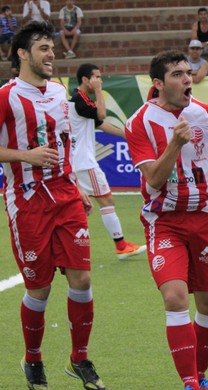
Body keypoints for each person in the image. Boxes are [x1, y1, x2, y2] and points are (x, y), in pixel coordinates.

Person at [125, 50, 208, 390]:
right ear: (159, 84)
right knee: (176, 298)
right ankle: (190, 382)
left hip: (205, 220)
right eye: (177, 74)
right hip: (165, 221)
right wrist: (175, 144)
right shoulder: (140, 122)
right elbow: (154, 180)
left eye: (187, 72)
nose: (187, 79)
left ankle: (200, 376)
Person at [0, 21, 105, 390]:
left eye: (52, 48)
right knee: (39, 289)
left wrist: (77, 186)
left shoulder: (61, 93)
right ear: (23, 54)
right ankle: (33, 361)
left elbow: (65, 147)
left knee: (82, 279)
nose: (52, 54)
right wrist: (24, 155)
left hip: (64, 195)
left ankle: (79, 358)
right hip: (26, 201)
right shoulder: (6, 96)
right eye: (44, 48)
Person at [69, 62, 147, 261]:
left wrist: (128, 136)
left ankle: (69, 245)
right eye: (96, 77)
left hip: (78, 163)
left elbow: (101, 124)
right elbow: (102, 114)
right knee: (106, 200)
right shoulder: (80, 99)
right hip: (84, 163)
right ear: (86, 80)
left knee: (78, 205)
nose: (100, 81)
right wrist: (99, 91)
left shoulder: (80, 101)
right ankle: (121, 246)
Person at [190, 7, 208, 75]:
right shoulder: (195, 25)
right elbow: (194, 39)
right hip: (200, 45)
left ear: (207, 15)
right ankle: (194, 69)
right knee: (193, 48)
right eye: (201, 14)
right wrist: (199, 45)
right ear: (198, 16)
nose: (203, 16)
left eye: (205, 14)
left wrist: (206, 43)